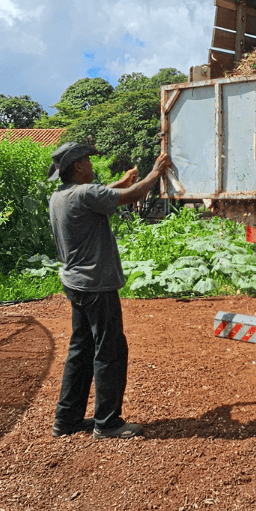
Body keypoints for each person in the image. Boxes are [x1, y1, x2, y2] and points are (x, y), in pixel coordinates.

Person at [47, 141, 169, 439]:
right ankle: (107, 422)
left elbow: (102, 195)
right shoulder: (86, 193)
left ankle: (67, 420)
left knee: (81, 350)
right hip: (96, 285)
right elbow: (131, 196)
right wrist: (155, 173)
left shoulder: (60, 196)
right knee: (110, 350)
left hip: (76, 283)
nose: (91, 165)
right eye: (87, 161)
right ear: (77, 166)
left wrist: (121, 183)